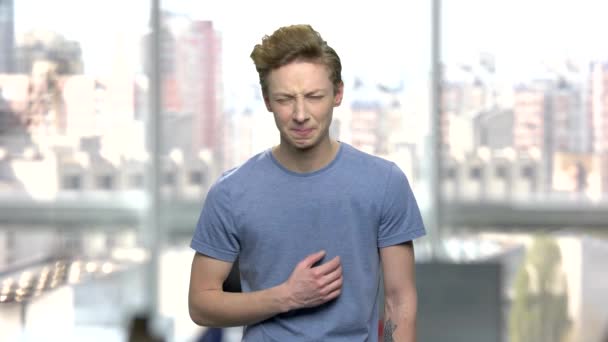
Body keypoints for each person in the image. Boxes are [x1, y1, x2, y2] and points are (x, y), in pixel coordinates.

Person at [188, 24, 426, 342]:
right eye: (286, 99)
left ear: (337, 93)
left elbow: (400, 302)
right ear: (267, 100)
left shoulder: (384, 183)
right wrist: (287, 296)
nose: (301, 114)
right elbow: (201, 304)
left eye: (314, 97)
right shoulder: (231, 193)